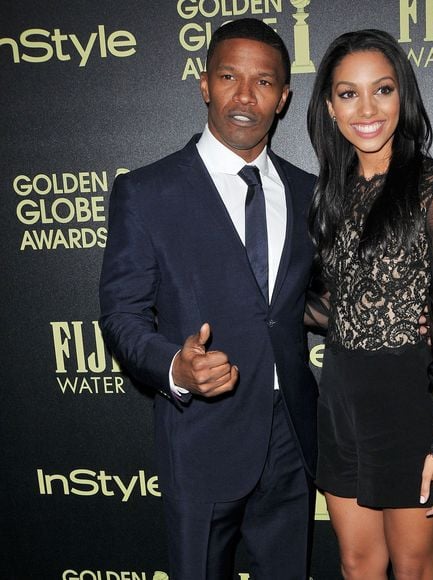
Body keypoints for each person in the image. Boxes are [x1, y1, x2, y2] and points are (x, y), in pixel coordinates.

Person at [99, 19, 319, 580]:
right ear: (204, 85)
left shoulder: (308, 191)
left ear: (283, 97)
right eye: (229, 77)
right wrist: (174, 365)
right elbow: (122, 315)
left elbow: (313, 302)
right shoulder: (146, 192)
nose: (245, 96)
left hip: (293, 436)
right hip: (200, 435)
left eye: (263, 82)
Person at [306, 30, 433, 579]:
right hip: (341, 398)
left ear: (403, 97)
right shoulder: (330, 193)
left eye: (382, 90)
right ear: (329, 106)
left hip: (411, 403)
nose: (367, 109)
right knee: (357, 563)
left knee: (413, 569)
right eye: (348, 93)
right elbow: (334, 308)